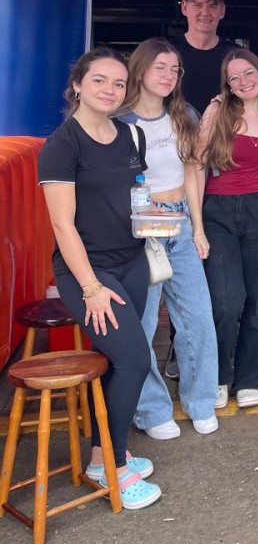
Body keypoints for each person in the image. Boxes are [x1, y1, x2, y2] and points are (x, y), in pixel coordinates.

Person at [37, 47, 161, 510]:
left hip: (132, 262)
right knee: (134, 360)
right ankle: (112, 466)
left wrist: (156, 217)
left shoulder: (129, 134)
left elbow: (136, 196)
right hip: (89, 271)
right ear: (77, 86)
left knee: (111, 362)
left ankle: (104, 452)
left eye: (118, 83)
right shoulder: (62, 144)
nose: (110, 90)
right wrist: (91, 288)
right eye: (99, 80)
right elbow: (62, 225)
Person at [118, 38, 219, 438]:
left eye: (174, 69)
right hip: (142, 227)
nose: (168, 75)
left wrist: (198, 227)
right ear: (140, 69)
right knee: (144, 323)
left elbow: (193, 171)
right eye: (159, 67)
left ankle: (200, 400)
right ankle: (150, 409)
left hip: (180, 222)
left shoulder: (184, 114)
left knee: (197, 316)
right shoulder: (120, 121)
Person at [198, 49, 258, 410]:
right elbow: (197, 164)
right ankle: (220, 375)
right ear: (227, 84)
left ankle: (249, 379)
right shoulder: (218, 113)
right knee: (226, 303)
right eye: (234, 77)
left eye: (248, 72)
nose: (243, 81)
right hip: (217, 211)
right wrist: (197, 225)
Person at [167, 0, 236, 379]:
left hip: (221, 171)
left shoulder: (233, 56)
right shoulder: (169, 53)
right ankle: (180, 346)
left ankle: (219, 345)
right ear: (184, 8)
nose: (204, 12)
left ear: (222, 10)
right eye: (197, 4)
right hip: (175, 170)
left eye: (212, 5)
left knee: (217, 262)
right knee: (179, 261)